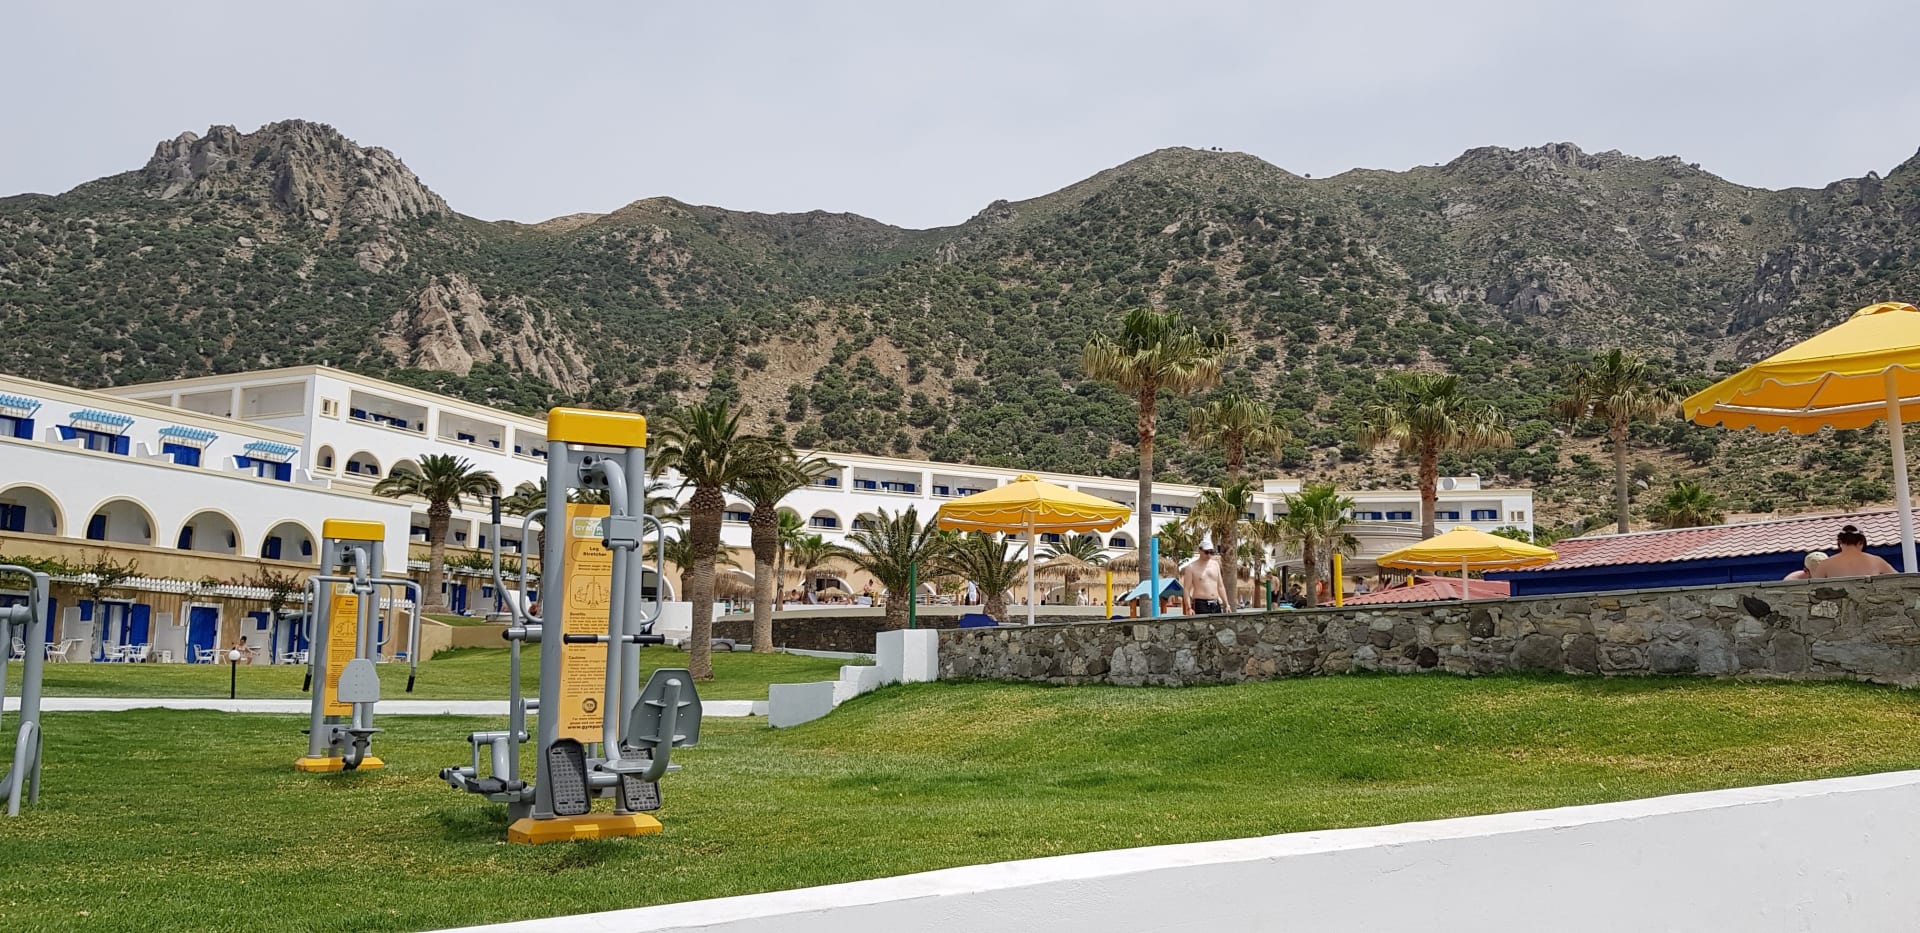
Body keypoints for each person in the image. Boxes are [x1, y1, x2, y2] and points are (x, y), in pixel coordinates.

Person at [1809, 525, 1896, 578]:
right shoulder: (1877, 561)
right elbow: (1899, 579)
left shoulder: (1825, 565)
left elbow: (1814, 589)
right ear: (1861, 542)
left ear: (1840, 542)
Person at [1179, 535, 1228, 614]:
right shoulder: (1191, 567)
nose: (1209, 555)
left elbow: (1220, 586)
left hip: (1216, 603)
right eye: (1206, 552)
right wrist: (1189, 607)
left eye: (1211, 552)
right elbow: (1186, 589)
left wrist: (1227, 604)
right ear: (1200, 550)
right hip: (1200, 604)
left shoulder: (1215, 565)